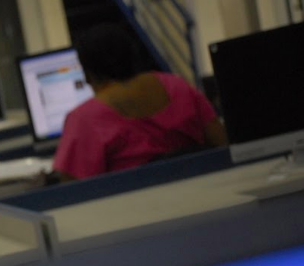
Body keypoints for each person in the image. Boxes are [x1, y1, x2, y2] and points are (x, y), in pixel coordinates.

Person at [53, 23, 228, 180]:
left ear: (88, 74)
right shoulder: (177, 86)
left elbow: (72, 192)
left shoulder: (85, 119)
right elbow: (223, 147)